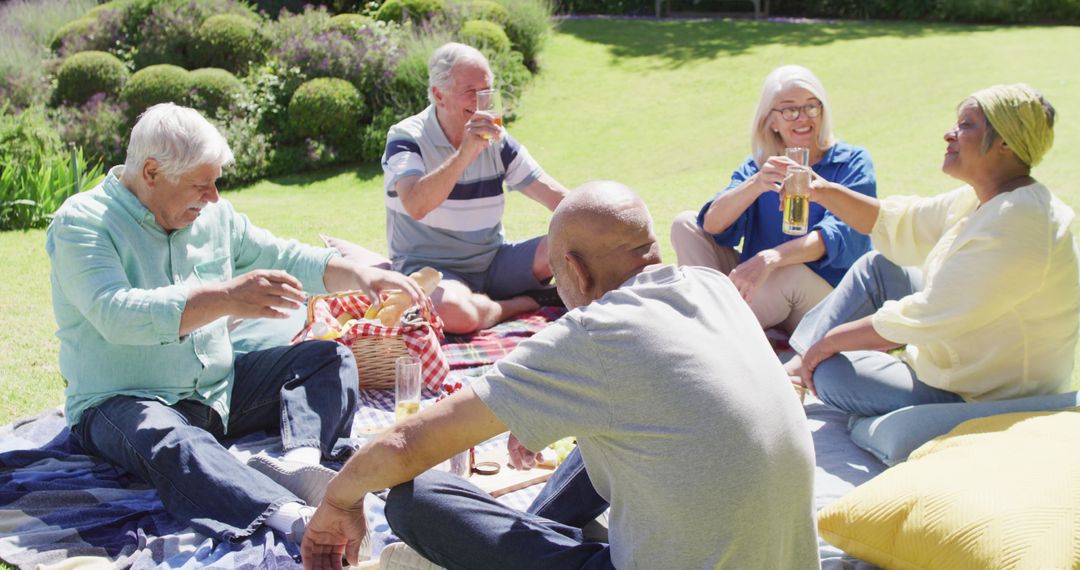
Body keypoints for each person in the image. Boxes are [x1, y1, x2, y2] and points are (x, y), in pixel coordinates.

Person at [301, 181, 820, 569]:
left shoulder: (595, 336)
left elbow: (406, 444)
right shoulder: (714, 287)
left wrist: (337, 501)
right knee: (621, 432)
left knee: (417, 501)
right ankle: (541, 527)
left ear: (572, 268)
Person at [45, 103, 424, 544]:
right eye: (201, 185)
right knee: (172, 440)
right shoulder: (81, 223)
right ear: (151, 172)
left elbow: (283, 256)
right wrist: (224, 298)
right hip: (124, 400)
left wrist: (361, 274)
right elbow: (116, 313)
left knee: (328, 357)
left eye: (215, 183)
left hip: (215, 392)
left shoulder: (214, 217)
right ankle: (290, 517)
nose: (214, 197)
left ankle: (299, 462)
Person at [785, 84, 1079, 418]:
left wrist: (828, 344)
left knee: (829, 373)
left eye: (966, 125)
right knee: (877, 267)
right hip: (964, 344)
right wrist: (819, 190)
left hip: (984, 392)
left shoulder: (1017, 221)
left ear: (1005, 142)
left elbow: (925, 314)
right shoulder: (984, 198)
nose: (949, 134)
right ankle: (797, 369)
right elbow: (898, 220)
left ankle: (805, 367)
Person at [670, 64, 876, 334]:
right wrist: (756, 184)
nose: (802, 118)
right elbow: (712, 224)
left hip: (825, 301)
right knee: (684, 224)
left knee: (788, 271)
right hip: (762, 288)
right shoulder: (759, 166)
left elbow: (836, 237)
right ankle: (716, 322)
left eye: (811, 107)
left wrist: (770, 258)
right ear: (770, 120)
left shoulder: (851, 162)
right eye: (789, 110)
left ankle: (709, 330)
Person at [380, 42, 569, 334]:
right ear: (438, 96)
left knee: (576, 240)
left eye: (487, 90)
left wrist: (601, 221)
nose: (483, 101)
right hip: (433, 272)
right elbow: (416, 204)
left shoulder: (498, 140)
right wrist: (466, 153)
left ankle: (491, 301)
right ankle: (521, 304)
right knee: (454, 313)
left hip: (494, 261)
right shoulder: (406, 138)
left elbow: (558, 198)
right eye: (470, 91)